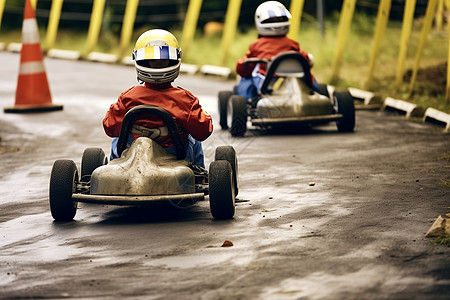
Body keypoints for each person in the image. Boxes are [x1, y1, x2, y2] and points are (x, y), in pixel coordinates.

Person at [103, 29, 213, 168]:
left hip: (131, 155)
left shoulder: (128, 98)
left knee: (118, 135)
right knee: (194, 139)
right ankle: (199, 176)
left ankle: (115, 168)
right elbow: (203, 131)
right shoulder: (185, 100)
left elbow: (109, 127)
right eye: (154, 60)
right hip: (174, 155)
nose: (159, 64)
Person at [235, 1, 319, 100]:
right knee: (309, 75)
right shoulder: (292, 44)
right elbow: (306, 59)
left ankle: (247, 104)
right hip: (294, 78)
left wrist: (241, 64)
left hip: (266, 82)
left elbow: (243, 69)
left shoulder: (256, 45)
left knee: (246, 79)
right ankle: (316, 92)